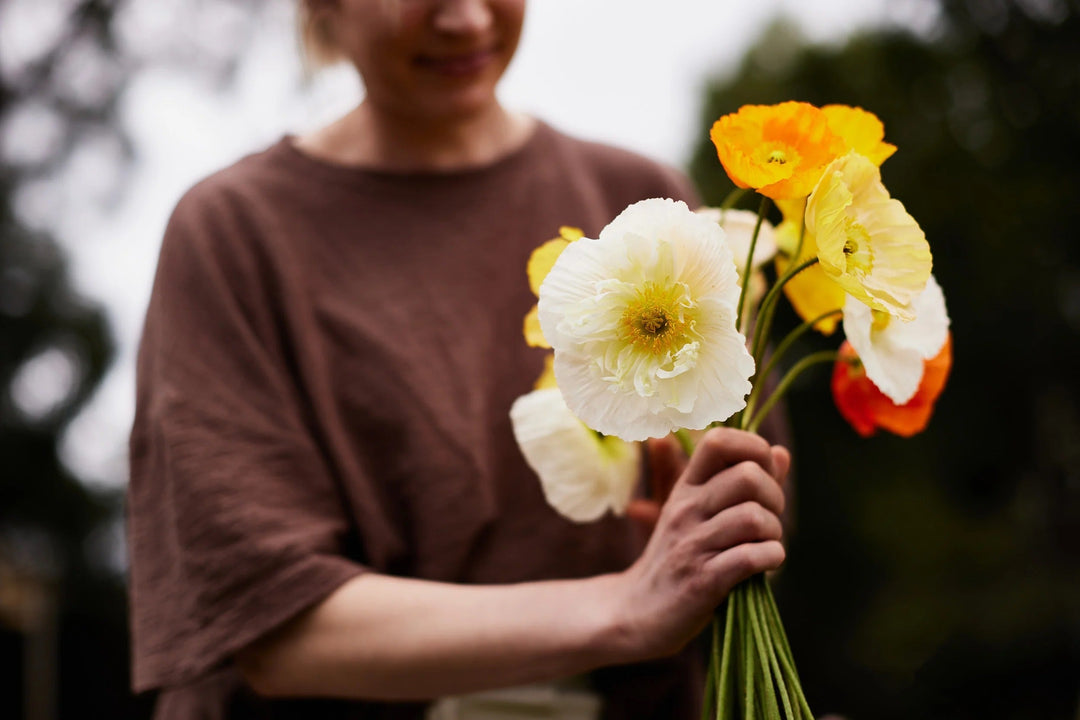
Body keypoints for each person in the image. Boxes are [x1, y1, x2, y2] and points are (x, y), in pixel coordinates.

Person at [126, 1, 792, 718]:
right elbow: (269, 625)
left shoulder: (638, 204)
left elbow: (750, 543)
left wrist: (702, 552)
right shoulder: (235, 234)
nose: (468, 20)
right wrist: (627, 604)